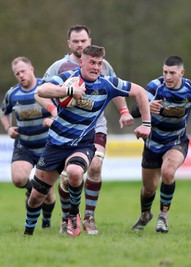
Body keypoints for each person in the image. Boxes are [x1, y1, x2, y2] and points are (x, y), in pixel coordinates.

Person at [24, 45, 151, 237]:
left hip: (83, 143)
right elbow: (42, 90)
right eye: (92, 62)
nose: (96, 67)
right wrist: (68, 91)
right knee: (35, 198)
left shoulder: (107, 84)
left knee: (75, 172)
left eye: (99, 63)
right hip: (55, 145)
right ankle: (27, 235)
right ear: (81, 61)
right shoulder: (69, 77)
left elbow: (140, 91)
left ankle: (73, 215)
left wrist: (147, 124)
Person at [43, 24, 134, 235]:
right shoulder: (59, 67)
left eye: (83, 40)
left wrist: (123, 111)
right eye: (75, 41)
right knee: (69, 175)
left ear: (89, 41)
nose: (80, 44)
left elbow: (117, 88)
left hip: (95, 125)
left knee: (94, 166)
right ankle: (68, 218)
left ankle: (89, 217)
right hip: (66, 128)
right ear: (69, 44)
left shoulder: (103, 64)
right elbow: (42, 91)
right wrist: (51, 110)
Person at [130, 55, 191, 233]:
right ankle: (146, 215)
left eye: (172, 73)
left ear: (181, 73)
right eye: (165, 72)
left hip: (176, 141)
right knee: (148, 189)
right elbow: (134, 111)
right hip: (153, 143)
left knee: (168, 173)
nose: (168, 77)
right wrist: (147, 105)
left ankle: (163, 217)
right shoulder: (155, 86)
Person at [0, 56, 58, 229]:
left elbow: (62, 109)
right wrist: (8, 128)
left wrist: (53, 119)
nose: (20, 75)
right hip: (24, 145)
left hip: (47, 147)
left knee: (47, 193)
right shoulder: (12, 94)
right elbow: (4, 112)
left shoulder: (47, 88)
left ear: (32, 69)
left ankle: (46, 221)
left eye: (23, 71)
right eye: (17, 73)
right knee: (18, 179)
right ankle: (31, 188)